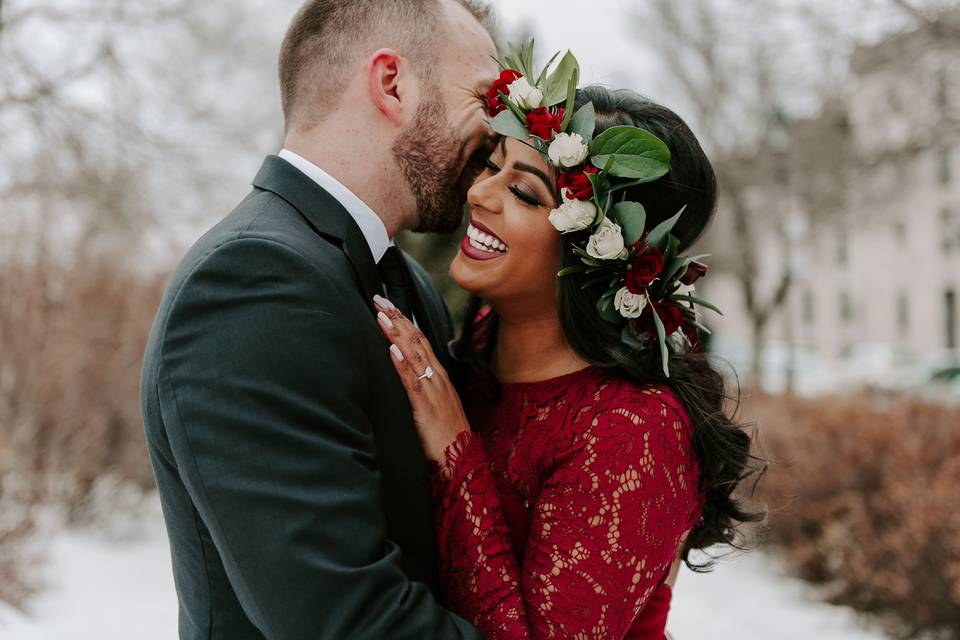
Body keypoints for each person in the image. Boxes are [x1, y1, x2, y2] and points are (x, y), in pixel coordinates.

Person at [139, 1, 502, 638]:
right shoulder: (251, 284)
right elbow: (347, 620)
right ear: (392, 84)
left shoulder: (404, 280)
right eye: (482, 97)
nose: (497, 133)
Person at [374, 62, 766, 637]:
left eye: (525, 192)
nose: (479, 193)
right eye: (492, 162)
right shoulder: (477, 343)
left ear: (596, 255)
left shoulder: (632, 430)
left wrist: (457, 455)